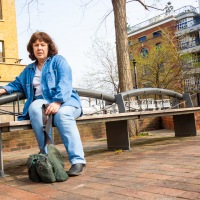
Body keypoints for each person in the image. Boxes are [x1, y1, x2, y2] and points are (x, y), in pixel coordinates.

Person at [0, 31, 86, 176]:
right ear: (32, 49)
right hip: (44, 104)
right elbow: (16, 84)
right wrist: (2, 90)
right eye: (36, 45)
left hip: (66, 101)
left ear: (48, 47)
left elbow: (65, 82)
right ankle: (48, 157)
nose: (39, 48)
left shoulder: (58, 61)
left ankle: (78, 161)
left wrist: (58, 102)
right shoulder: (29, 70)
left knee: (62, 116)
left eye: (42, 44)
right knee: (34, 106)